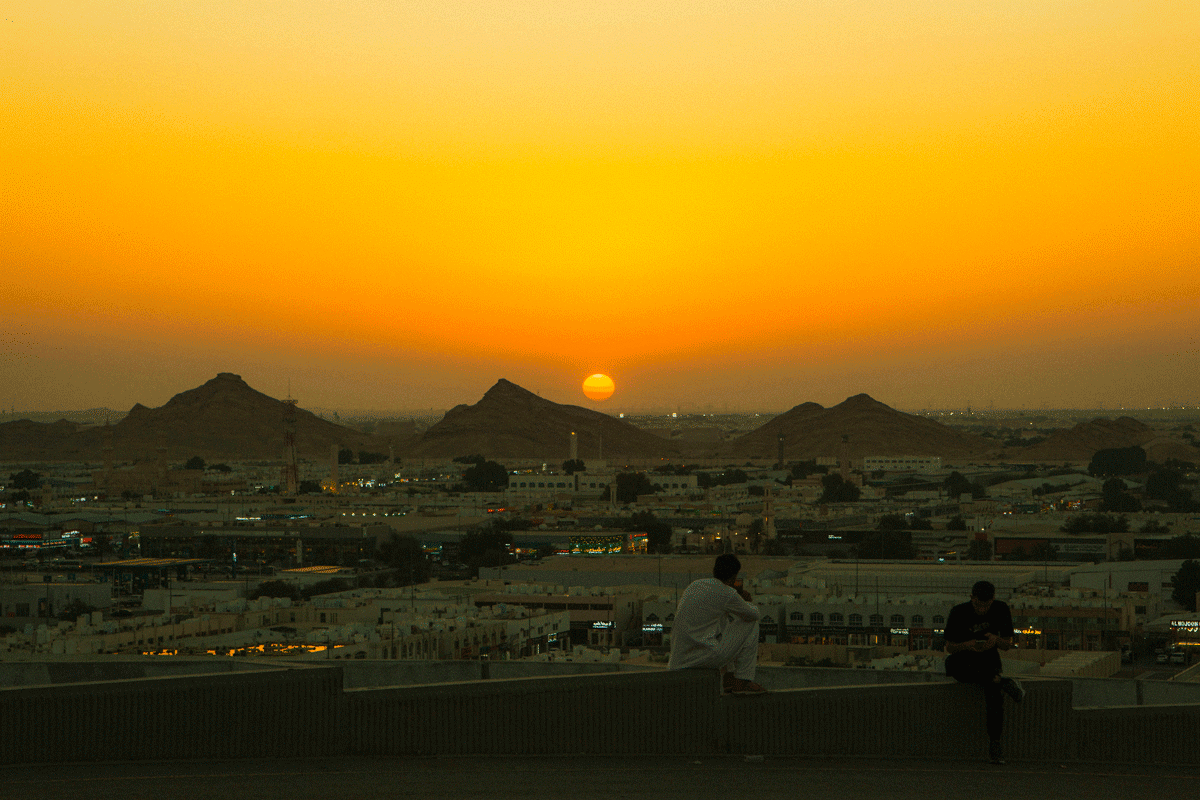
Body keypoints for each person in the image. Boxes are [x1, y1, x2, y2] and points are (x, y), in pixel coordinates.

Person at [944, 580, 1026, 764]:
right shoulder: (959, 612)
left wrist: (995, 640)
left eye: (986, 606)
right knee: (952, 666)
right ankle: (1003, 682)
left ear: (993, 600)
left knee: (994, 700)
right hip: (965, 660)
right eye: (979, 605)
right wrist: (967, 645)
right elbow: (949, 647)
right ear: (972, 598)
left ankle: (995, 744)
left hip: (988, 661)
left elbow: (1007, 645)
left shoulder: (1000, 609)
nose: (982, 609)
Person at [668, 553, 765, 694]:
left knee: (722, 619)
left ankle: (729, 677)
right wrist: (745, 602)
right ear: (733, 577)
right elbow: (754, 614)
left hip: (678, 660)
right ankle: (743, 679)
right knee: (751, 623)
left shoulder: (695, 586)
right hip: (703, 658)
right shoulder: (727, 593)